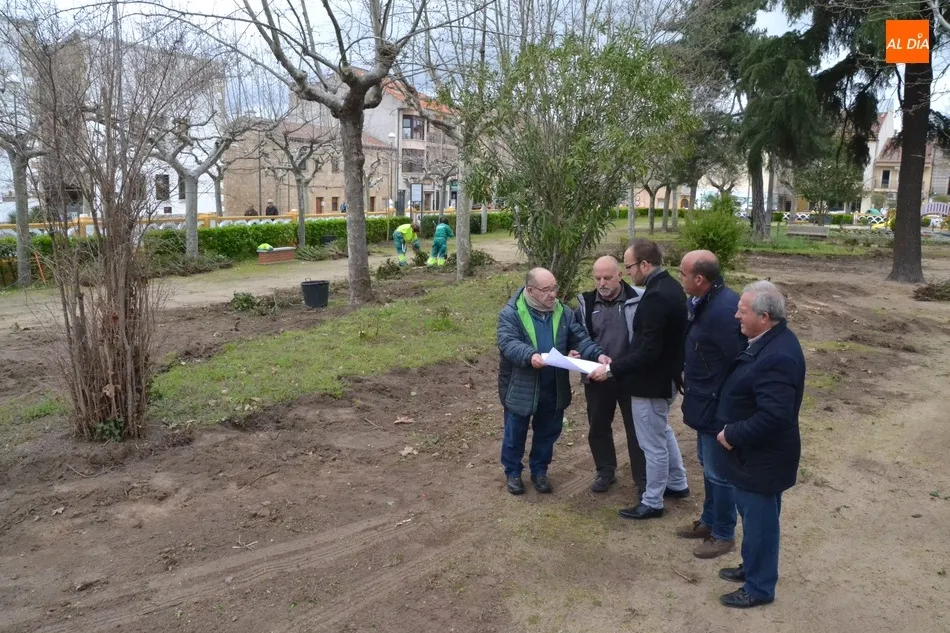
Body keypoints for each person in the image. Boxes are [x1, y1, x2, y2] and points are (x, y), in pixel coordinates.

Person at [715, 280, 805, 609]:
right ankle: (752, 567)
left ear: (764, 317)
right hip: (754, 458)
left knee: (761, 523)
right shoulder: (767, 341)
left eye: (742, 311)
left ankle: (759, 587)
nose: (736, 315)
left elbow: (775, 416)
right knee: (754, 520)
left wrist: (732, 434)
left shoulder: (778, 356)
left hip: (762, 458)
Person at [589, 239, 688, 520]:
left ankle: (653, 500)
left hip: (650, 382)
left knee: (651, 444)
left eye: (629, 266)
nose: (629, 272)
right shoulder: (669, 287)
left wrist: (611, 370)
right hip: (665, 377)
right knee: (663, 432)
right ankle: (678, 483)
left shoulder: (655, 296)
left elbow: (648, 350)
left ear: (645, 264)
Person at [497, 268, 609, 495]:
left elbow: (579, 338)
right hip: (521, 386)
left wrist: (596, 354)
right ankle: (513, 473)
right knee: (515, 432)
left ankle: (539, 471)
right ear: (530, 291)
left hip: (553, 385)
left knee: (548, 432)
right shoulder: (511, 313)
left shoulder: (564, 312)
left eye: (554, 288)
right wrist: (530, 356)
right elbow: (507, 342)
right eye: (546, 290)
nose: (553, 295)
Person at [676, 250, 746, 559]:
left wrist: (727, 406)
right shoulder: (706, 303)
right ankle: (708, 520)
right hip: (704, 400)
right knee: (707, 466)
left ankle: (723, 533)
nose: (680, 278)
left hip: (717, 406)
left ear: (699, 279)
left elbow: (738, 363)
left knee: (719, 473)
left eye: (683, 274)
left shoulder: (722, 311)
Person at [574, 256, 647, 495]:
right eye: (597, 278)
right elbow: (578, 337)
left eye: (607, 277)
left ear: (620, 275)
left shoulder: (639, 299)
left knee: (636, 429)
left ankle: (643, 479)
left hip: (631, 375)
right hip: (596, 376)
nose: (602, 283)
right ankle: (605, 471)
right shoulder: (585, 303)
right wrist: (574, 351)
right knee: (598, 425)